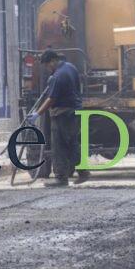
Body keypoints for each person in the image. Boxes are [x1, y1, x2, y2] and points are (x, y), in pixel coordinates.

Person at [28, 50, 89, 187]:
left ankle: (61, 178)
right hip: (74, 110)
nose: (48, 69)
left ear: (53, 61)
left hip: (62, 114)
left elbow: (51, 99)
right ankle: (83, 172)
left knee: (59, 147)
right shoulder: (70, 67)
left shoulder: (58, 76)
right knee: (72, 144)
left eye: (47, 66)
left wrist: (37, 113)